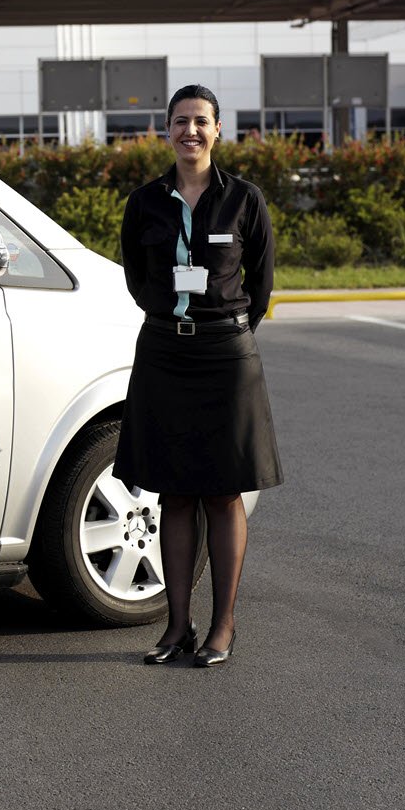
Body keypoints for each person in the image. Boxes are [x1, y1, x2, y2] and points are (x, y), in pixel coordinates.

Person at [114, 84, 283, 668]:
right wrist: (171, 316)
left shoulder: (244, 200)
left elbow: (261, 281)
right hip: (164, 352)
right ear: (166, 131)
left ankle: (223, 627)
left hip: (226, 356)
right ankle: (177, 626)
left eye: (201, 121)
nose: (190, 131)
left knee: (223, 491)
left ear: (217, 131)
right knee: (175, 491)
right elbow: (136, 277)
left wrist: (226, 327)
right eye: (180, 121)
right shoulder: (145, 201)